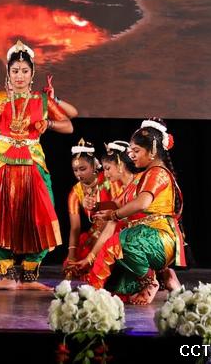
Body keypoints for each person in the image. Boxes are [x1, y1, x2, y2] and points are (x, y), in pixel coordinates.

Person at [0, 40, 73, 290]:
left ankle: (30, 276)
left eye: (24, 71)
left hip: (33, 163)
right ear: (8, 73)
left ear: (32, 73)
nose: (19, 76)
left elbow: (69, 124)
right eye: (15, 71)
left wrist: (49, 124)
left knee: (42, 216)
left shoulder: (41, 99)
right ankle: (7, 276)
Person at [87, 119, 185, 304]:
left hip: (158, 237)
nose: (131, 155)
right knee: (119, 289)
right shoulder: (144, 175)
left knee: (116, 244)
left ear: (152, 151)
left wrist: (113, 215)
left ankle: (150, 281)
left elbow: (142, 203)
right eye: (130, 150)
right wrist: (96, 206)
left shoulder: (157, 173)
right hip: (145, 237)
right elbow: (117, 203)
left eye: (136, 151)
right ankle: (164, 277)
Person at [62, 139, 119, 280]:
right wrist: (71, 256)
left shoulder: (108, 179)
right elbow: (75, 228)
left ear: (94, 166)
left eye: (82, 169)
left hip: (116, 226)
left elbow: (119, 206)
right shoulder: (76, 192)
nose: (78, 174)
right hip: (96, 233)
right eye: (75, 170)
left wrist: (98, 206)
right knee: (77, 263)